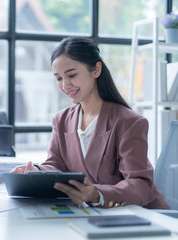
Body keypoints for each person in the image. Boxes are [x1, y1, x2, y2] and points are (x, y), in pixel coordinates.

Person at [11, 37, 169, 209]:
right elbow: (56, 164)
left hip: (140, 216)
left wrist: (98, 194)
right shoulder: (61, 120)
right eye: (58, 78)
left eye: (71, 75)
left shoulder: (129, 122)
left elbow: (141, 185)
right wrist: (37, 172)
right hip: (95, 214)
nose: (65, 85)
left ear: (96, 70)